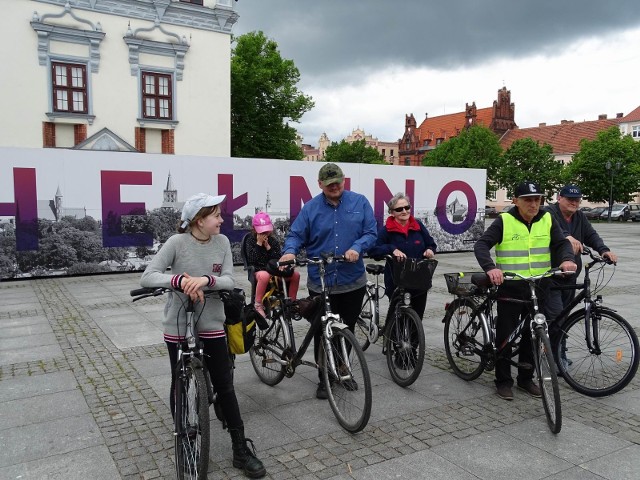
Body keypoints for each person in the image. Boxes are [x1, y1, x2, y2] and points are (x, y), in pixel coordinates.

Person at [140, 193, 266, 479]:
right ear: (199, 220)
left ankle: (240, 448)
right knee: (180, 382)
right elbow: (148, 276)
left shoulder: (221, 243)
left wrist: (206, 280)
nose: (222, 219)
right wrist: (180, 280)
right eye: (217, 215)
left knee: (225, 384)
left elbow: (229, 280)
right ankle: (184, 439)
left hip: (211, 321)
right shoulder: (176, 242)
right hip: (178, 323)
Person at [278, 163, 377, 399]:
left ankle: (343, 370)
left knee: (348, 329)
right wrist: (290, 251)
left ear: (344, 180)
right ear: (320, 184)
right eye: (329, 183)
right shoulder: (310, 209)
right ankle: (324, 377)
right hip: (321, 281)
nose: (335, 186)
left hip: (352, 280)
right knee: (323, 333)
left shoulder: (359, 202)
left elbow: (371, 232)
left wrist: (357, 247)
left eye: (338, 182)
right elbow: (295, 235)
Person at [474, 181, 577, 401]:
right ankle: (503, 381)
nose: (533, 204)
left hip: (539, 286)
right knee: (506, 334)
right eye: (528, 200)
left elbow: (560, 244)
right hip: (511, 287)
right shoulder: (505, 220)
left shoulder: (547, 219)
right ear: (516, 201)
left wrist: (567, 260)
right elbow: (481, 245)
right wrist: (491, 268)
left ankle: (525, 378)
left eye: (537, 200)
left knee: (533, 334)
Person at [543, 184, 618, 356]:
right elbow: (553, 229)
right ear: (559, 198)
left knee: (564, 318)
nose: (574, 203)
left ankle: (556, 349)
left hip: (569, 275)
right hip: (550, 274)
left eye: (577, 200)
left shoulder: (579, 217)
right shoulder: (548, 213)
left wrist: (604, 250)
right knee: (556, 317)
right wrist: (566, 237)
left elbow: (591, 235)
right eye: (570, 199)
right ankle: (555, 357)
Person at [368, 192, 437, 320]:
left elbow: (431, 244)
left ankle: (415, 340)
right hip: (397, 282)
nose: (404, 211)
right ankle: (393, 339)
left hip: (419, 280)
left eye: (407, 207)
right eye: (399, 209)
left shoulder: (418, 226)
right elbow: (373, 250)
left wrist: (430, 250)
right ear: (392, 212)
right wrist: (391, 249)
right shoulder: (386, 230)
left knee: (416, 318)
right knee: (397, 319)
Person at [245, 211, 300, 317]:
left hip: (274, 270)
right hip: (258, 271)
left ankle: (292, 303)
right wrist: (259, 244)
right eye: (261, 231)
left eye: (266, 231)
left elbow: (278, 259)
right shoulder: (250, 241)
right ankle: (258, 304)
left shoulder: (273, 241)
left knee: (295, 275)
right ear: (254, 229)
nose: (264, 233)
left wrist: (268, 248)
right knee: (265, 275)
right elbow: (251, 260)